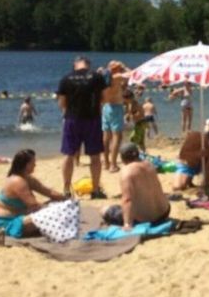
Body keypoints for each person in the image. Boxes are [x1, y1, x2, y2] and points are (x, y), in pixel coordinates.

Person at [56, 56, 108, 198]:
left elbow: (62, 103)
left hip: (72, 119)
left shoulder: (66, 78)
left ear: (75, 64)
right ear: (88, 64)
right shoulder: (97, 77)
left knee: (69, 155)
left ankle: (66, 189)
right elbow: (104, 98)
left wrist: (68, 113)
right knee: (95, 156)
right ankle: (96, 190)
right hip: (92, 119)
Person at [0, 149, 66, 239]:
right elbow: (34, 205)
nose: (35, 165)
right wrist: (56, 208)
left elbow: (48, 192)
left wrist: (64, 198)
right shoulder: (18, 181)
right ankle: (5, 231)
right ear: (26, 165)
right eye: (33, 162)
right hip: (8, 222)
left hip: (21, 217)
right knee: (54, 214)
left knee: (60, 206)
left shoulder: (27, 178)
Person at [102, 144, 171, 229]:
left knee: (104, 210)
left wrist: (127, 223)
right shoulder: (149, 165)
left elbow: (127, 199)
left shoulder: (127, 172)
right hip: (164, 213)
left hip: (145, 219)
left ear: (122, 158)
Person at [100, 61, 131, 172]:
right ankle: (113, 164)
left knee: (106, 137)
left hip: (105, 107)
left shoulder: (104, 78)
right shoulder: (116, 77)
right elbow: (131, 74)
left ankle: (106, 163)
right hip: (116, 107)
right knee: (117, 137)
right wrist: (124, 66)